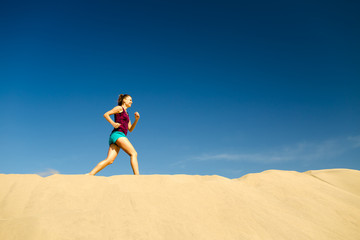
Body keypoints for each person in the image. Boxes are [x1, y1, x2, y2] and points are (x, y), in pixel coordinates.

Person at [87, 94, 140, 175]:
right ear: (124, 100)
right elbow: (106, 114)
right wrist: (113, 123)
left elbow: (130, 129)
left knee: (110, 160)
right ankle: (138, 177)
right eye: (130, 100)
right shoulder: (119, 108)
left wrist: (136, 120)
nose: (131, 102)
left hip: (116, 136)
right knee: (134, 153)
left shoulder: (127, 114)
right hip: (118, 134)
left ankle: (90, 174)